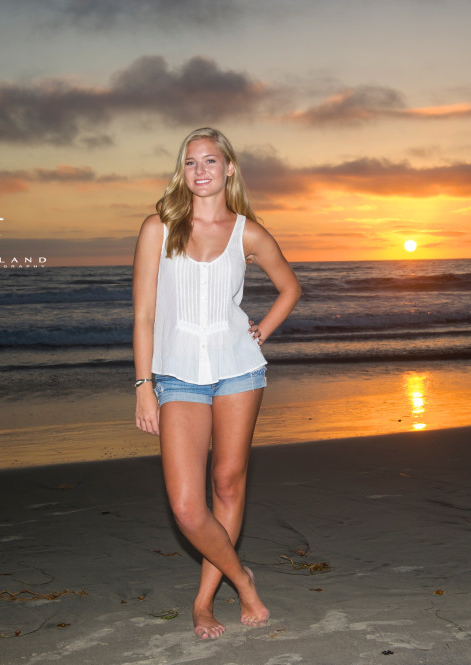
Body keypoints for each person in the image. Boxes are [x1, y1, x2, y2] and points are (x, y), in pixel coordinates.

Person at [132, 128, 301, 639]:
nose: (200, 170)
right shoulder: (157, 228)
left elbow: (290, 287)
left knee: (227, 484)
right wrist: (144, 384)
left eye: (210, 160)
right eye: (190, 162)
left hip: (238, 370)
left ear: (229, 168)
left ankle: (204, 602)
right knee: (187, 506)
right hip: (178, 376)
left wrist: (261, 332)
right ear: (181, 171)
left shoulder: (247, 232)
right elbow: (143, 315)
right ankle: (242, 577)